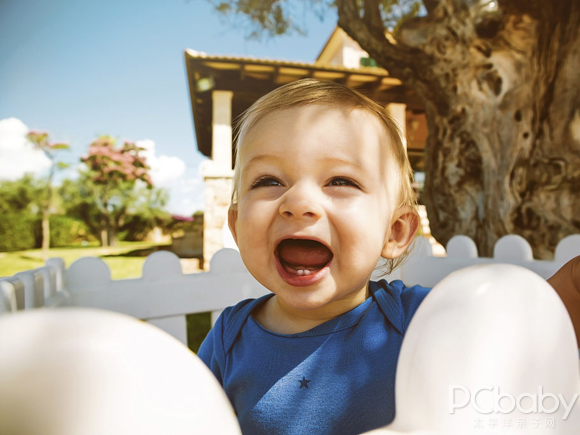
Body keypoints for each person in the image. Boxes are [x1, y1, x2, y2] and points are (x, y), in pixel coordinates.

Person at [198, 78, 580, 435]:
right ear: (235, 226)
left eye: (340, 181)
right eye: (268, 181)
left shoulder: (418, 319)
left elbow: (525, 328)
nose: (297, 203)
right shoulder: (228, 341)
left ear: (395, 232)